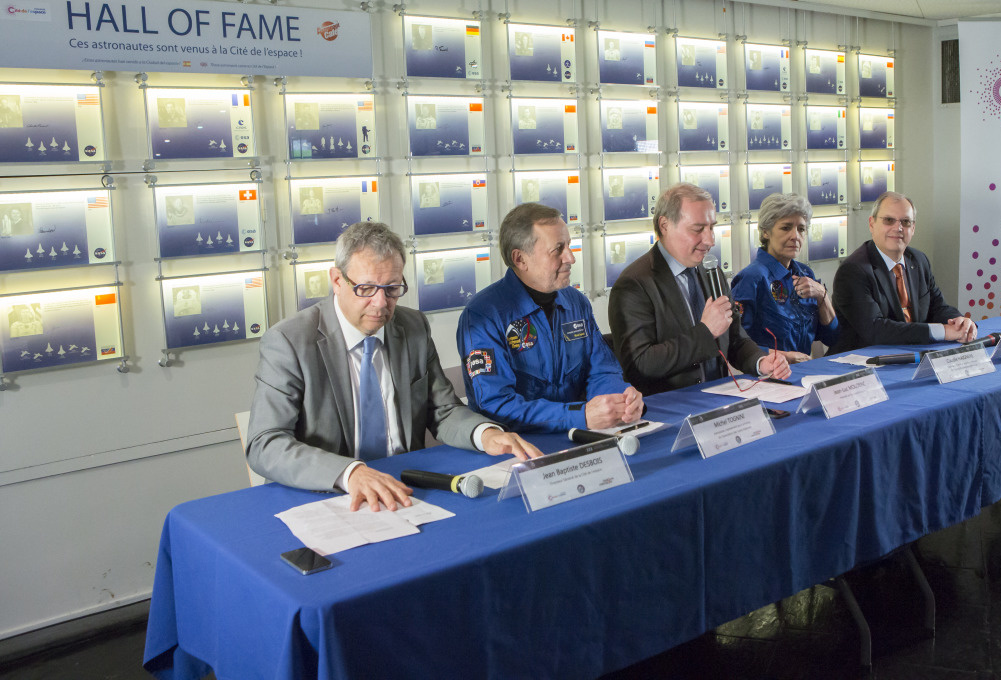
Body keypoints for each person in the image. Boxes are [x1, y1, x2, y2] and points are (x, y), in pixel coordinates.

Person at [246, 222, 539, 511]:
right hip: (332, 494)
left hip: (408, 488)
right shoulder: (289, 341)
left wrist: (485, 434)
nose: (381, 303)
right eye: (366, 288)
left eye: (392, 289)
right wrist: (350, 473)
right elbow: (265, 443)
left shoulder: (413, 327)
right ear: (337, 281)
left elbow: (442, 410)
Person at [457, 203, 642, 432]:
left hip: (578, 435)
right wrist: (579, 416)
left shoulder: (576, 303)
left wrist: (619, 401)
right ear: (520, 259)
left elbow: (603, 370)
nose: (571, 258)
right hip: (516, 446)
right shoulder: (483, 316)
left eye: (569, 246)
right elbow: (496, 405)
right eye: (558, 249)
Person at [609, 183, 790, 395]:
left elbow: (735, 339)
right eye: (698, 229)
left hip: (720, 405)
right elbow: (640, 365)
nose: (710, 240)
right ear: (665, 225)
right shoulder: (634, 284)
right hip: (670, 409)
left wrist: (761, 362)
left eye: (711, 227)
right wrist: (705, 331)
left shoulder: (711, 270)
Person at [831, 191, 976, 352]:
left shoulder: (919, 260)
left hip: (912, 355)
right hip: (863, 364)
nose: (898, 228)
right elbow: (876, 330)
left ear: (913, 228)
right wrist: (943, 331)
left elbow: (938, 307)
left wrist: (959, 322)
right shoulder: (853, 271)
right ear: (872, 224)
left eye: (905, 222)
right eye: (888, 220)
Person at [731, 193, 838, 361]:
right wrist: (783, 357)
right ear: (766, 232)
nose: (795, 236)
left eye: (801, 229)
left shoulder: (806, 274)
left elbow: (832, 337)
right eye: (786, 227)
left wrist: (822, 295)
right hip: (768, 377)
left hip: (804, 372)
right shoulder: (752, 278)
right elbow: (735, 344)